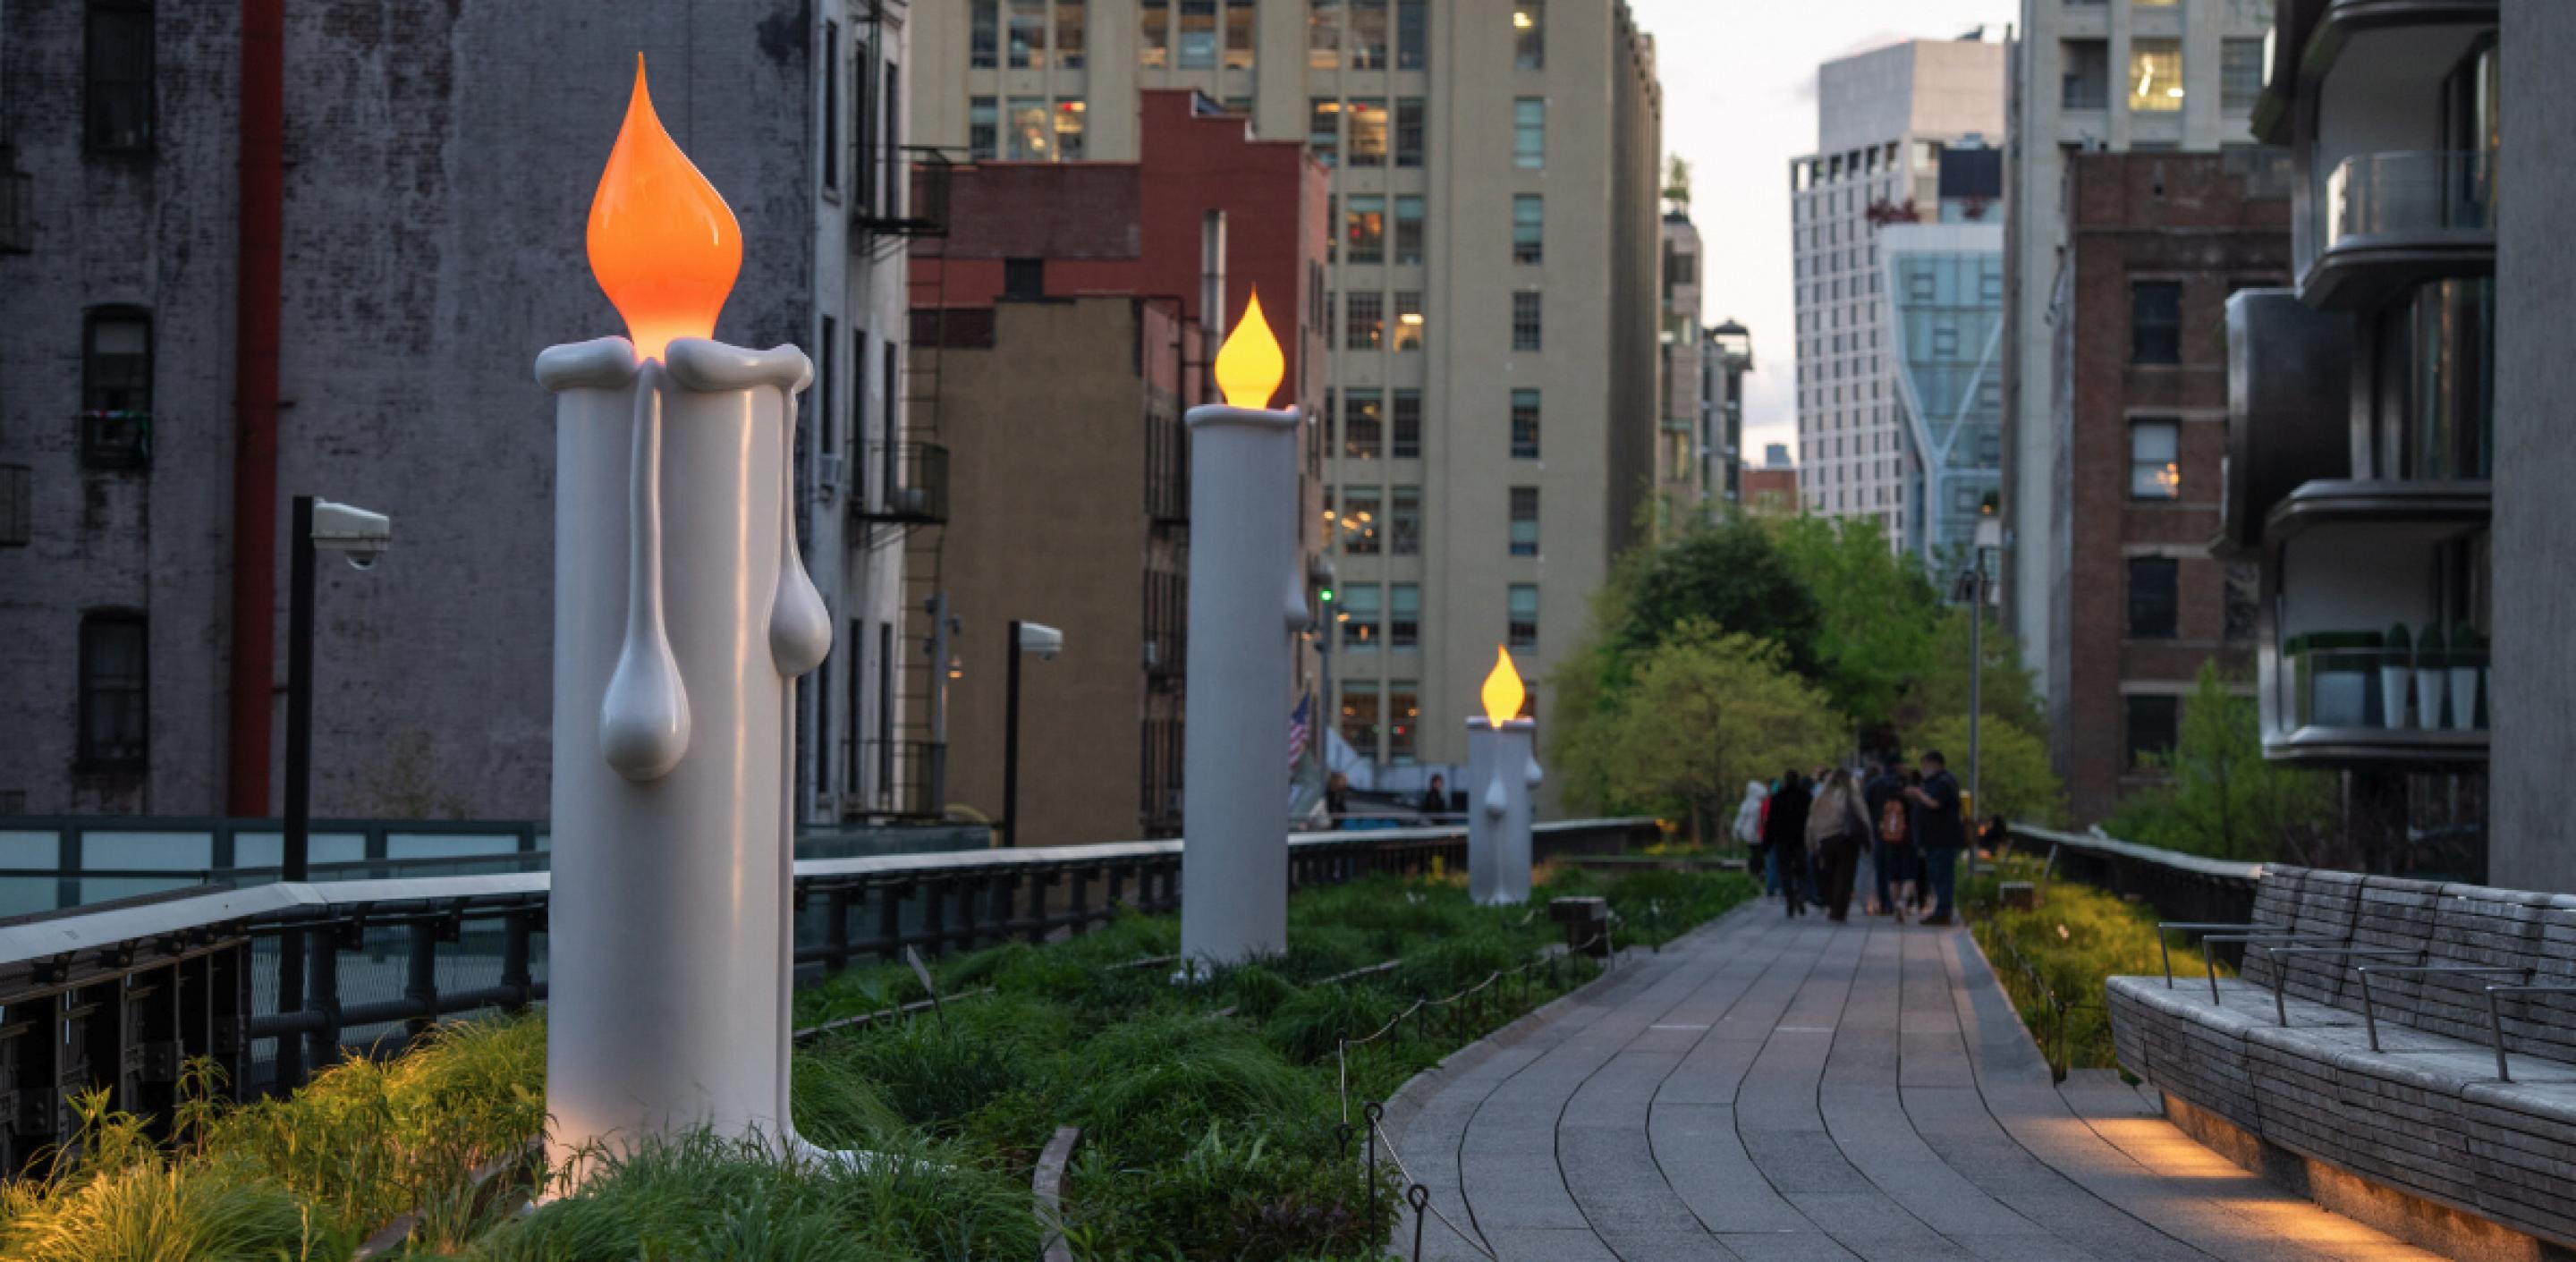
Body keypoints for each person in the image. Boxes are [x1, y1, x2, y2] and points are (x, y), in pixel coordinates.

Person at [1903, 750, 1967, 925]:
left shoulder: (1944, 782)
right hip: (1934, 839)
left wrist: (1918, 793)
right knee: (1936, 875)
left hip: (1943, 839)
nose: (1923, 768)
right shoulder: (1933, 783)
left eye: (1926, 764)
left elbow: (1934, 803)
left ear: (1935, 764)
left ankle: (1943, 911)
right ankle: (1941, 910)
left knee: (1942, 874)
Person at [1806, 767, 1872, 922]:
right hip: (1846, 839)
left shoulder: (1821, 797)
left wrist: (1811, 842)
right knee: (1845, 875)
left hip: (1825, 839)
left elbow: (1811, 822)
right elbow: (1863, 817)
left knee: (1828, 874)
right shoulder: (1851, 795)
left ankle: (1831, 904)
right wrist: (1869, 838)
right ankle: (1839, 910)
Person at [1762, 769, 1812, 918]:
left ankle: (1790, 897)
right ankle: (1800, 894)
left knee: (1785, 871)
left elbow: (1771, 822)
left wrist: (1767, 842)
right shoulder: (1806, 797)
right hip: (1801, 839)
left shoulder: (1778, 798)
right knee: (1802, 870)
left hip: (1782, 840)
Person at [1863, 758, 1909, 919]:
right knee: (1897, 868)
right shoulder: (1903, 784)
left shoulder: (1874, 784)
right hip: (1902, 833)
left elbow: (1866, 806)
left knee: (1881, 868)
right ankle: (1897, 902)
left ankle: (1885, 903)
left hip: (1880, 830)